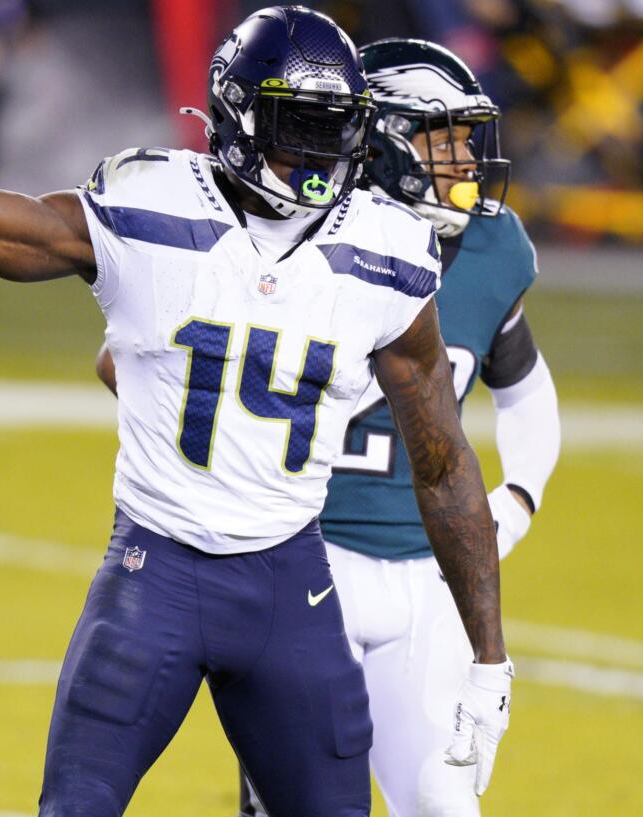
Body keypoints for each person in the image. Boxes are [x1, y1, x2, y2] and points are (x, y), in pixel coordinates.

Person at [0, 9, 513, 816]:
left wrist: (488, 659)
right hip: (157, 579)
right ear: (236, 114)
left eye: (337, 127)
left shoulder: (388, 253)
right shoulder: (151, 207)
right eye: (298, 125)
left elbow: (442, 464)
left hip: (289, 585)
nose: (321, 153)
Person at [232, 39, 560, 817]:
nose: (461, 161)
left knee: (444, 802)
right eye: (439, 139)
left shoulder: (489, 245)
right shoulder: (300, 235)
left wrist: (514, 502)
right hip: (306, 559)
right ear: (380, 142)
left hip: (431, 574)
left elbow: (526, 388)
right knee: (300, 802)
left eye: (465, 139)